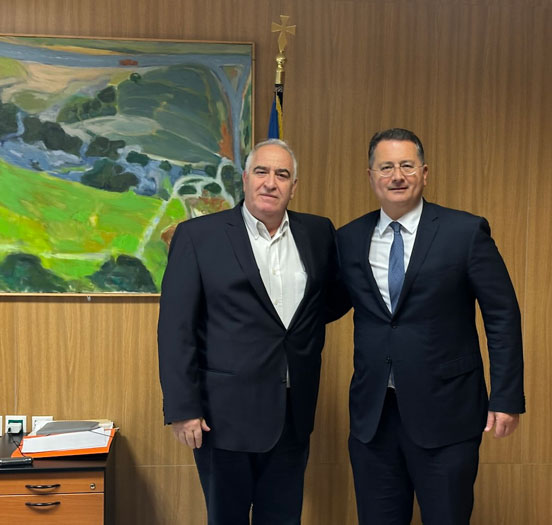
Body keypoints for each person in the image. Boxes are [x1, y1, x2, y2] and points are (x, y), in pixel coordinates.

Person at [336, 128, 525, 525]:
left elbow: (502, 315)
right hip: (374, 418)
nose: (397, 176)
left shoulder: (465, 233)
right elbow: (323, 306)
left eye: (407, 165)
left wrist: (506, 397)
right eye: (386, 167)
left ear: (424, 173)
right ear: (370, 176)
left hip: (447, 414)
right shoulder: (349, 239)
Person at [158, 138, 344, 524]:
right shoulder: (198, 236)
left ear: (294, 186)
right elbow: (176, 328)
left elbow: (326, 303)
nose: (270, 182)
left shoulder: (318, 233)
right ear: (245, 178)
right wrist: (183, 408)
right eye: (261, 171)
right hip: (222, 419)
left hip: (292, 414)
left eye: (282, 174)